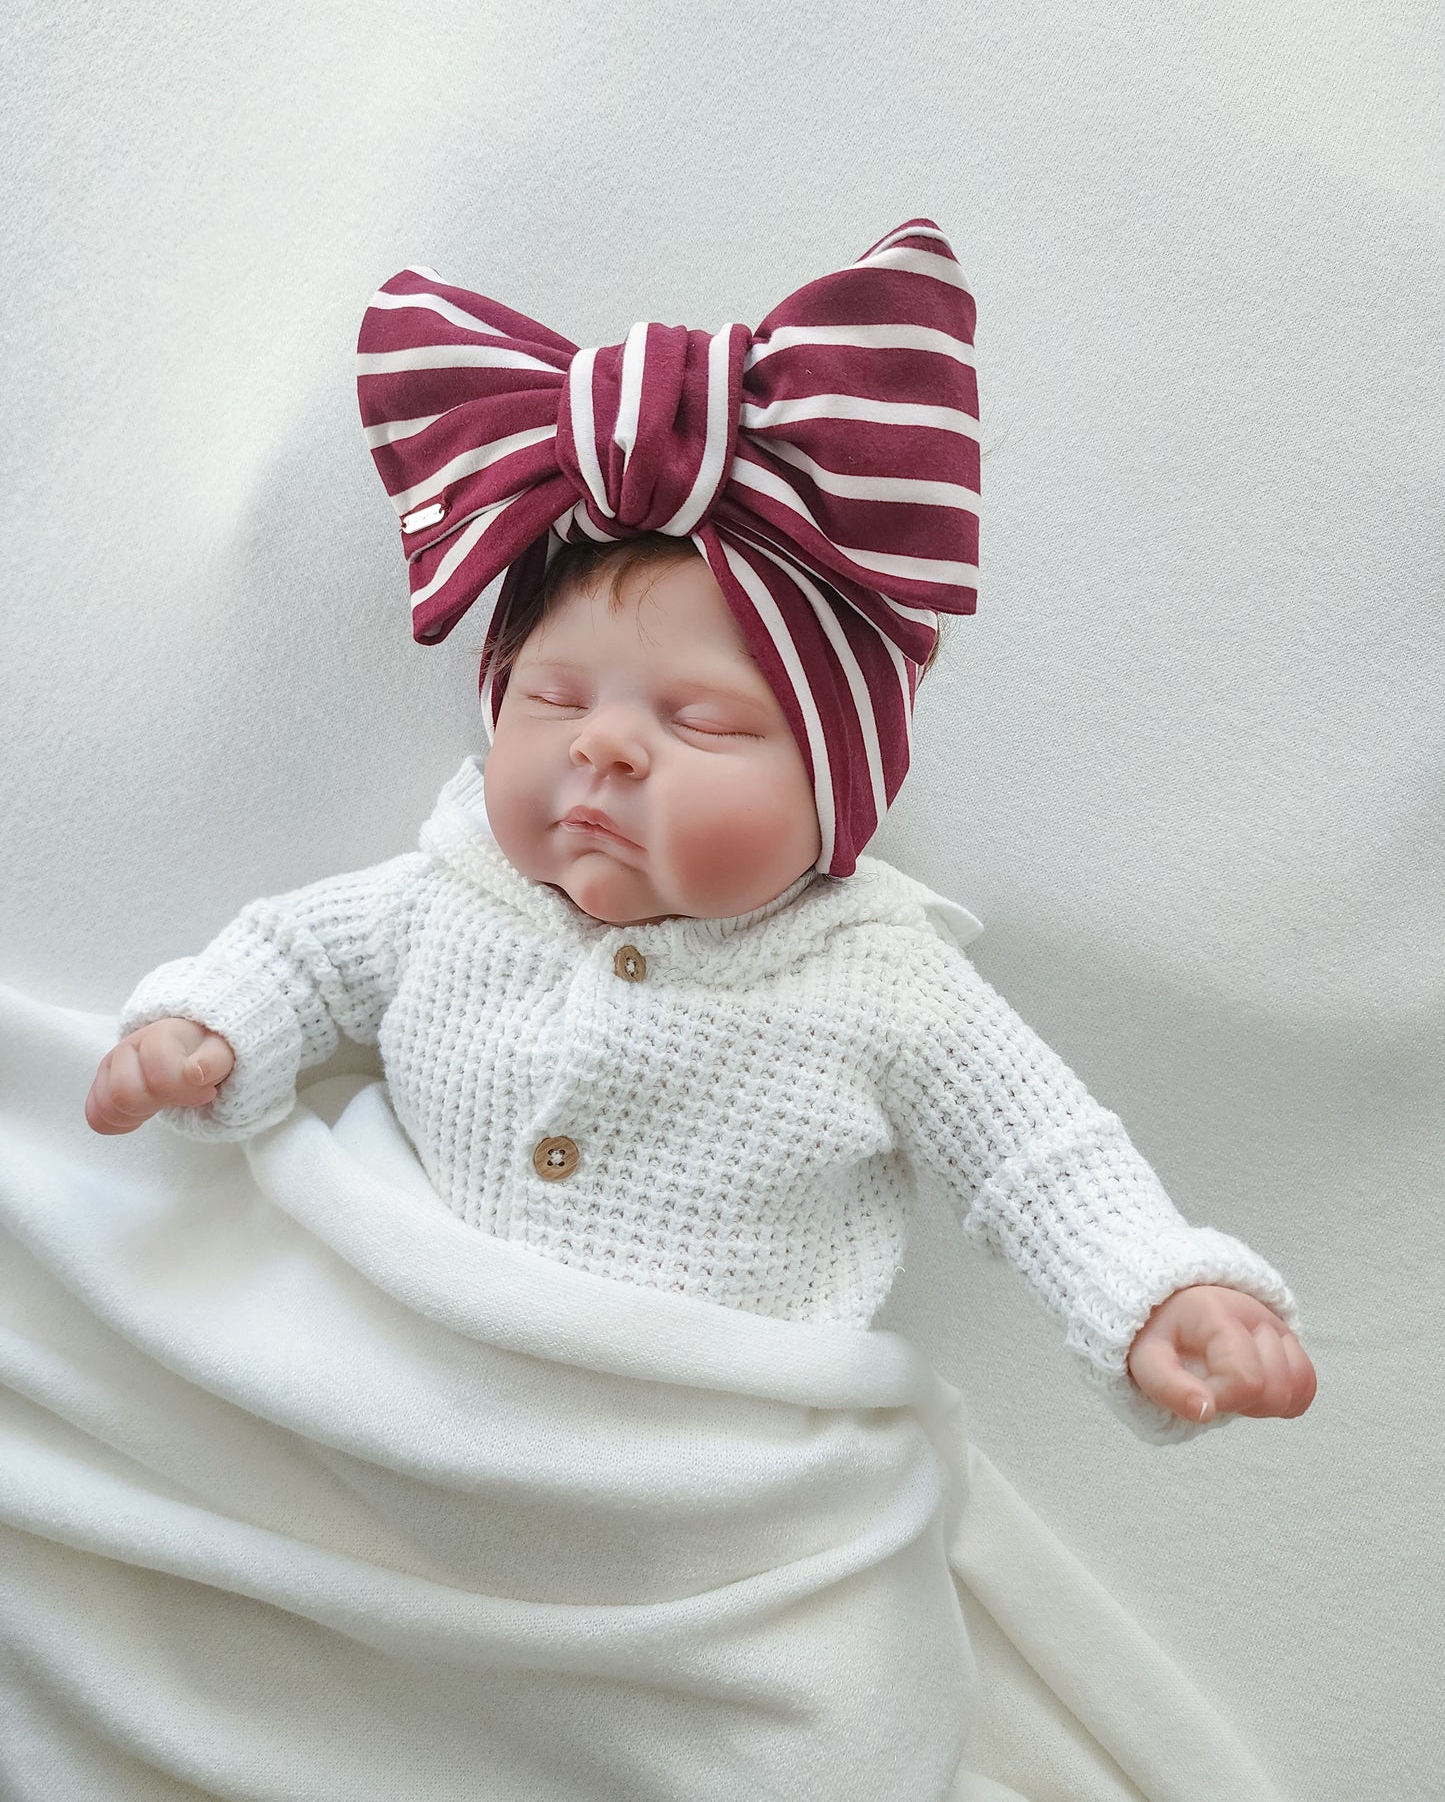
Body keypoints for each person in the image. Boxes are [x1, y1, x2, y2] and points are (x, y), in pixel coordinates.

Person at [85, 219, 1315, 1439]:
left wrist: (1159, 1286)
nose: (600, 744)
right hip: (400, 1403)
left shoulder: (879, 976)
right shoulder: (449, 890)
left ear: (836, 789)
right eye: (553, 698)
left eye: (704, 723)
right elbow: (297, 953)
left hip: (712, 1472)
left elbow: (1041, 1157)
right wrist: (208, 1026)